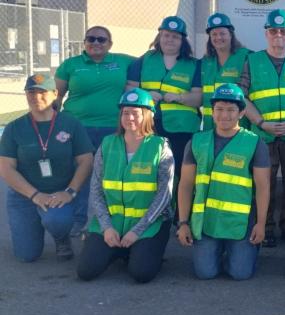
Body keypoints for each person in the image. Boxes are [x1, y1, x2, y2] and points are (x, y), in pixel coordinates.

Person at [76, 89, 174, 283]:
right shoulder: (107, 144)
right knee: (86, 271)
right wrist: (106, 227)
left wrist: (137, 231)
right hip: (112, 223)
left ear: (148, 116)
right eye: (125, 113)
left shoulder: (160, 146)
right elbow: (96, 189)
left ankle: (136, 250)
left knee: (141, 273)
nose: (130, 118)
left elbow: (165, 195)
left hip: (148, 224)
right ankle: (118, 250)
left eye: (136, 113)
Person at [176, 85, 271, 280]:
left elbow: (263, 187)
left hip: (240, 224)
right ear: (212, 111)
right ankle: (219, 250)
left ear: (241, 112)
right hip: (206, 223)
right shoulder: (196, 142)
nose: (224, 115)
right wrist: (183, 223)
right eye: (219, 109)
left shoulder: (254, 143)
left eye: (231, 110)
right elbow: (185, 185)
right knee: (205, 273)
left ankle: (242, 251)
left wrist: (261, 224)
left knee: (240, 273)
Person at [0, 74, 93, 262]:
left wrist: (70, 192)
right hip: (24, 196)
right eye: (31, 92)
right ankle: (35, 222)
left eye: (42, 92)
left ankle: (61, 237)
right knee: (27, 255)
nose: (36, 97)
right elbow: (6, 168)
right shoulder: (14, 128)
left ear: (55, 94)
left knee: (56, 220)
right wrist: (35, 195)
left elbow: (86, 161)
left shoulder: (70, 123)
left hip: (59, 193)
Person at [240, 9, 285, 248]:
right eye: (274, 31)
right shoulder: (252, 60)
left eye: (284, 31)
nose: (279, 35)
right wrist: (261, 123)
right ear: (266, 33)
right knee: (265, 182)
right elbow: (242, 97)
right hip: (262, 134)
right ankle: (266, 226)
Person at [55, 25, 134, 235]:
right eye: (90, 39)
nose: (95, 43)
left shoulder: (123, 61)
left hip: (113, 128)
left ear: (110, 44)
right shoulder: (71, 65)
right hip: (77, 128)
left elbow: (153, 59)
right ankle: (77, 220)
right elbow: (56, 97)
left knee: (110, 176)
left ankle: (107, 221)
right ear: (84, 42)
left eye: (101, 39)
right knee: (80, 174)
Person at [126, 15, 201, 175]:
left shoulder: (193, 65)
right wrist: (145, 95)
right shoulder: (145, 60)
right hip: (148, 126)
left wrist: (179, 97)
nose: (170, 40)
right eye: (166, 35)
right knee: (150, 170)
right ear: (159, 36)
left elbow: (199, 98)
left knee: (180, 172)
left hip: (182, 129)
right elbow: (129, 89)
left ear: (182, 41)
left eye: (175, 37)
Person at [200, 13, 251, 130]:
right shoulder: (205, 62)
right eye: (214, 34)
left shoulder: (246, 57)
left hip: (237, 127)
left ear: (231, 35)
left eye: (222, 33)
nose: (218, 38)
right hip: (210, 127)